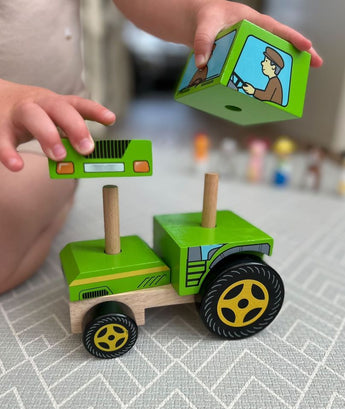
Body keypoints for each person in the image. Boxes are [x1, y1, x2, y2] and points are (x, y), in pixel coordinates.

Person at [0, 0, 322, 294]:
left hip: (44, 139)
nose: (266, 68)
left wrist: (197, 12)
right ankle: (54, 204)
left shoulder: (276, 82)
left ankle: (55, 198)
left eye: (268, 66)